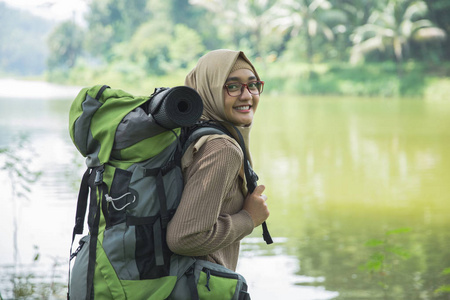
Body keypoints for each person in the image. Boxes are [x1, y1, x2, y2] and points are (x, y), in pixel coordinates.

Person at [166, 49, 270, 272]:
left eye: (252, 84)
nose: (247, 95)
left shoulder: (188, 132)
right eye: (232, 86)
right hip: (194, 289)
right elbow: (184, 238)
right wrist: (249, 218)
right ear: (208, 89)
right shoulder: (222, 148)